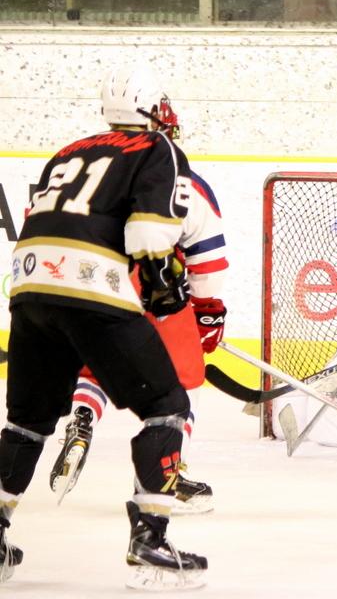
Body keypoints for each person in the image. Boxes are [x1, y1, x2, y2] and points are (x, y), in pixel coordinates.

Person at [1, 64, 207, 589]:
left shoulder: (70, 150)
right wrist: (165, 284)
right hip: (91, 289)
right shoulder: (157, 150)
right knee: (167, 408)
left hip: (29, 291)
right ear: (152, 110)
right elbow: (148, 233)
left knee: (26, 421)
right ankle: (151, 540)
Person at [50, 148, 229, 516]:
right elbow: (207, 259)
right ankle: (166, 476)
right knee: (178, 387)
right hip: (160, 285)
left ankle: (82, 416)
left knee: (100, 362)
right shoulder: (183, 179)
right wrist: (208, 311)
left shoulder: (94, 170)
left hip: (101, 280)